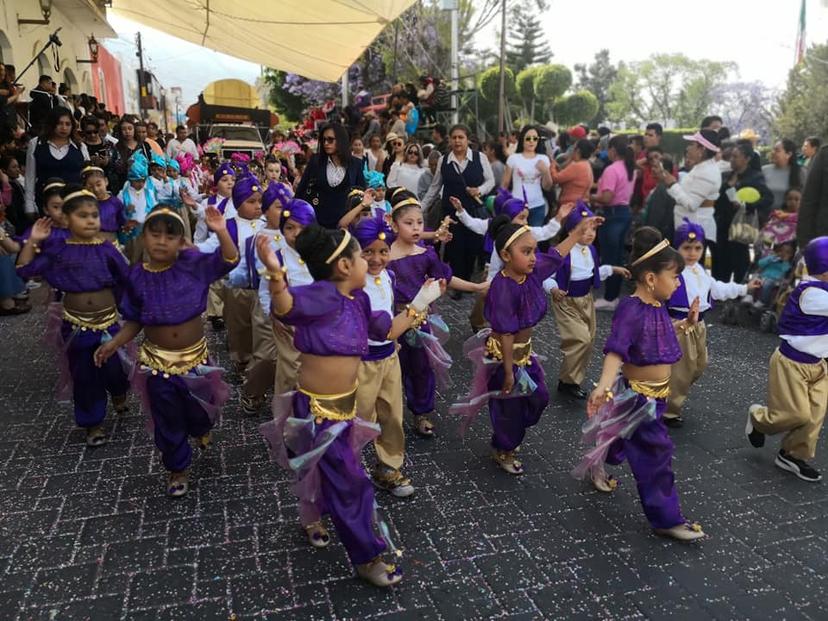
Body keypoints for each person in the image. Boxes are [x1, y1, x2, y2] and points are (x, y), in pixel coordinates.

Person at [256, 225, 442, 587]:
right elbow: (285, 306)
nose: (368, 262)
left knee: (327, 474)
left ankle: (313, 517)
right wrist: (275, 272)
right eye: (360, 256)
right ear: (344, 265)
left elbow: (386, 332)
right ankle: (366, 557)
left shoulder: (359, 300)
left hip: (345, 409)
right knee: (351, 484)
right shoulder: (317, 297)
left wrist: (420, 302)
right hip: (317, 413)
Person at [572, 227, 705, 541]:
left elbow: (657, 334)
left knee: (621, 437)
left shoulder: (657, 306)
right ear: (650, 279)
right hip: (639, 399)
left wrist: (685, 323)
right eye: (674, 277)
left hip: (657, 397)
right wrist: (604, 386)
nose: (678, 283)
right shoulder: (630, 309)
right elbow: (616, 350)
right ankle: (666, 518)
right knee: (656, 454)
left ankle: (598, 465)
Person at [95, 206, 239, 496]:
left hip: (195, 359)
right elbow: (134, 320)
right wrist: (113, 343)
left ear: (181, 242)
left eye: (170, 236)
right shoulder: (136, 276)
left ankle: (200, 428)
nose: (162, 241)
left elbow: (229, 259)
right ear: (144, 236)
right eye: (155, 234)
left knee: (200, 410)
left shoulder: (192, 265)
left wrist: (221, 229)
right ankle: (177, 468)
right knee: (168, 418)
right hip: (157, 364)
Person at [450, 211, 601, 473]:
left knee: (539, 398)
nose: (533, 257)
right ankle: (503, 448)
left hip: (524, 354)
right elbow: (507, 333)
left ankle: (511, 436)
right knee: (509, 407)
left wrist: (578, 232)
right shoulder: (503, 287)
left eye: (534, 251)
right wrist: (509, 371)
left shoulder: (531, 272)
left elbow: (556, 254)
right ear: (506, 256)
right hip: (504, 358)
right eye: (527, 252)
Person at [16, 187, 130, 446]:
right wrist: (33, 240)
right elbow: (25, 270)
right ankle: (93, 422)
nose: (91, 220)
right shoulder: (59, 250)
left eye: (94, 215)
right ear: (66, 220)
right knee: (85, 374)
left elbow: (127, 279)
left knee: (115, 368)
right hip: (76, 324)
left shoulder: (107, 248)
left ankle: (119, 390)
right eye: (83, 215)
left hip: (109, 321)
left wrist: (134, 307)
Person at [387, 194, 485, 437]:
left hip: (420, 323)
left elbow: (446, 278)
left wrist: (475, 287)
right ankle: (385, 414)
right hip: (390, 322)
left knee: (421, 368)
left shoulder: (427, 253)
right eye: (409, 223)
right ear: (394, 224)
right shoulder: (384, 254)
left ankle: (421, 412)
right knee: (388, 371)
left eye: (419, 222)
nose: (416, 228)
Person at [746, 236, 828, 483]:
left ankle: (792, 455)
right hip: (792, 364)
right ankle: (758, 419)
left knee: (814, 416)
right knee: (793, 414)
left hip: (819, 365)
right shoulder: (811, 293)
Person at [664, 219, 758, 427]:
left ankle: (665, 393)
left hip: (699, 326)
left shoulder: (700, 270)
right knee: (681, 370)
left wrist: (745, 288)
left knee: (698, 366)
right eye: (686, 247)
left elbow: (717, 289)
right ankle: (668, 410)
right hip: (680, 324)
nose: (692, 252)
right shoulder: (672, 271)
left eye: (697, 248)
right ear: (676, 247)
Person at [197, 173, 274, 415]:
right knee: (240, 329)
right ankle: (242, 362)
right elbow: (209, 246)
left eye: (259, 201)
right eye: (251, 201)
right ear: (239, 202)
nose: (257, 206)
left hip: (263, 289)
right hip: (238, 288)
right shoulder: (229, 224)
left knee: (262, 334)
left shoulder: (266, 225)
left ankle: (256, 372)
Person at [353, 215, 418, 496]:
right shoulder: (353, 285)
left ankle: (389, 467)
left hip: (389, 357)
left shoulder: (389, 277)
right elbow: (383, 327)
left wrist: (395, 345)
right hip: (361, 362)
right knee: (359, 418)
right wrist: (420, 305)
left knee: (392, 414)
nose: (377, 259)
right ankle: (348, 469)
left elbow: (390, 316)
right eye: (368, 252)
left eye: (382, 251)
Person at [544, 205, 629, 400]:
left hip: (586, 300)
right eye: (584, 229)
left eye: (593, 229)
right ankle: (568, 381)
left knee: (587, 341)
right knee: (580, 339)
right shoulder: (563, 251)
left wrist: (614, 269)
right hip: (566, 301)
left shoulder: (590, 250)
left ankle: (570, 380)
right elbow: (547, 276)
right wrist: (553, 289)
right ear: (571, 230)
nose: (590, 233)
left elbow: (594, 272)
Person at [421, 124, 496, 283]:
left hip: (472, 211)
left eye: (461, 137)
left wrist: (479, 190)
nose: (457, 141)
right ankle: (458, 283)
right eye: (454, 138)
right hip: (451, 213)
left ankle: (467, 277)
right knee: (454, 247)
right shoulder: (444, 160)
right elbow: (435, 187)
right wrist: (420, 208)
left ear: (467, 139)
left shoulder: (479, 157)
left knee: (472, 247)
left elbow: (491, 181)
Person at [256, 192, 313, 394]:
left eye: (303, 228)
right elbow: (265, 290)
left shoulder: (321, 256)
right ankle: (287, 416)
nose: (296, 233)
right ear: (282, 230)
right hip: (287, 327)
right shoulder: (277, 258)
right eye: (290, 228)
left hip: (315, 325)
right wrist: (272, 314)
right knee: (290, 373)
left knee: (313, 373)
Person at [712, 142, 774, 283]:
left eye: (736, 156)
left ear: (746, 159)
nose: (732, 160)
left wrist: (748, 206)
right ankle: (719, 294)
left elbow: (768, 198)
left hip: (741, 226)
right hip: (722, 224)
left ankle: (739, 292)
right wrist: (728, 186)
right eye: (731, 157)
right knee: (720, 261)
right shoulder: (726, 176)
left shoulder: (755, 177)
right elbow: (717, 198)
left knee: (739, 261)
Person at [657, 130, 722, 262]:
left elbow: (691, 204)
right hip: (688, 226)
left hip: (694, 228)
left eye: (693, 144)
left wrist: (673, 184)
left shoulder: (707, 172)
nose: (689, 147)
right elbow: (684, 194)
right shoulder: (702, 168)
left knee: (689, 270)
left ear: (701, 149)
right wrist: (669, 184)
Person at [592, 135, 637, 311]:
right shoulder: (630, 168)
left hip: (612, 215)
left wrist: (591, 197)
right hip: (624, 213)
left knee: (610, 257)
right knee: (617, 256)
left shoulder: (612, 169)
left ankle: (610, 297)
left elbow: (607, 197)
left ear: (612, 150)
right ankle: (614, 295)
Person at [295, 122, 365, 229]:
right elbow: (301, 190)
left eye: (330, 139)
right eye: (323, 140)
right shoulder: (316, 161)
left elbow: (361, 192)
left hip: (345, 225)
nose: (326, 143)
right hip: (316, 223)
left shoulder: (355, 164)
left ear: (341, 140)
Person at [24, 107, 89, 217]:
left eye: (68, 124)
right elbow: (30, 176)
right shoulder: (36, 144)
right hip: (46, 205)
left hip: (74, 204)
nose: (63, 128)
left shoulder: (80, 147)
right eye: (59, 123)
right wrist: (29, 205)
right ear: (52, 124)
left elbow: (87, 177)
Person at [501, 125, 552, 227]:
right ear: (522, 139)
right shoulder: (513, 158)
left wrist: (545, 171)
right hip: (517, 207)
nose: (531, 141)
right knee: (517, 238)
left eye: (535, 138)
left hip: (538, 206)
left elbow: (547, 186)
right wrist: (501, 202)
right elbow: (505, 184)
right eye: (528, 138)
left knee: (534, 239)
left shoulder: (544, 159)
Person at [117, 154, 157, 264]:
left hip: (146, 230)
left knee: (147, 259)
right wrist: (126, 211)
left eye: (142, 181)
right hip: (131, 232)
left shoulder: (149, 193)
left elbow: (154, 208)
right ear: (130, 180)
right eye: (137, 181)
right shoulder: (123, 194)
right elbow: (118, 214)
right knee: (133, 258)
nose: (140, 184)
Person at [81, 164, 125, 243]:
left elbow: (122, 223)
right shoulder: (84, 205)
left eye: (98, 184)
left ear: (106, 181)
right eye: (90, 187)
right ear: (85, 188)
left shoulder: (115, 202)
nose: (96, 189)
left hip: (112, 244)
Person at [762, 140, 805, 214]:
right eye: (773, 149)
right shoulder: (764, 170)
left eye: (777, 150)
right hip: (766, 218)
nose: (773, 152)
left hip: (790, 219)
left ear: (788, 154)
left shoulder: (800, 172)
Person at [112, 117, 152, 192]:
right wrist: (126, 166)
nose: (127, 131)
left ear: (134, 130)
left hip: (144, 185)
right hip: (126, 187)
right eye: (124, 129)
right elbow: (114, 170)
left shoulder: (144, 145)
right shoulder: (116, 148)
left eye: (130, 128)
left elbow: (151, 164)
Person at [550, 139, 594, 205]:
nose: (572, 150)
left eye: (573, 147)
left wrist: (552, 165)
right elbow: (566, 175)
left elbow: (555, 178)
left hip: (569, 205)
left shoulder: (577, 166)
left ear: (578, 150)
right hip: (579, 203)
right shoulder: (586, 164)